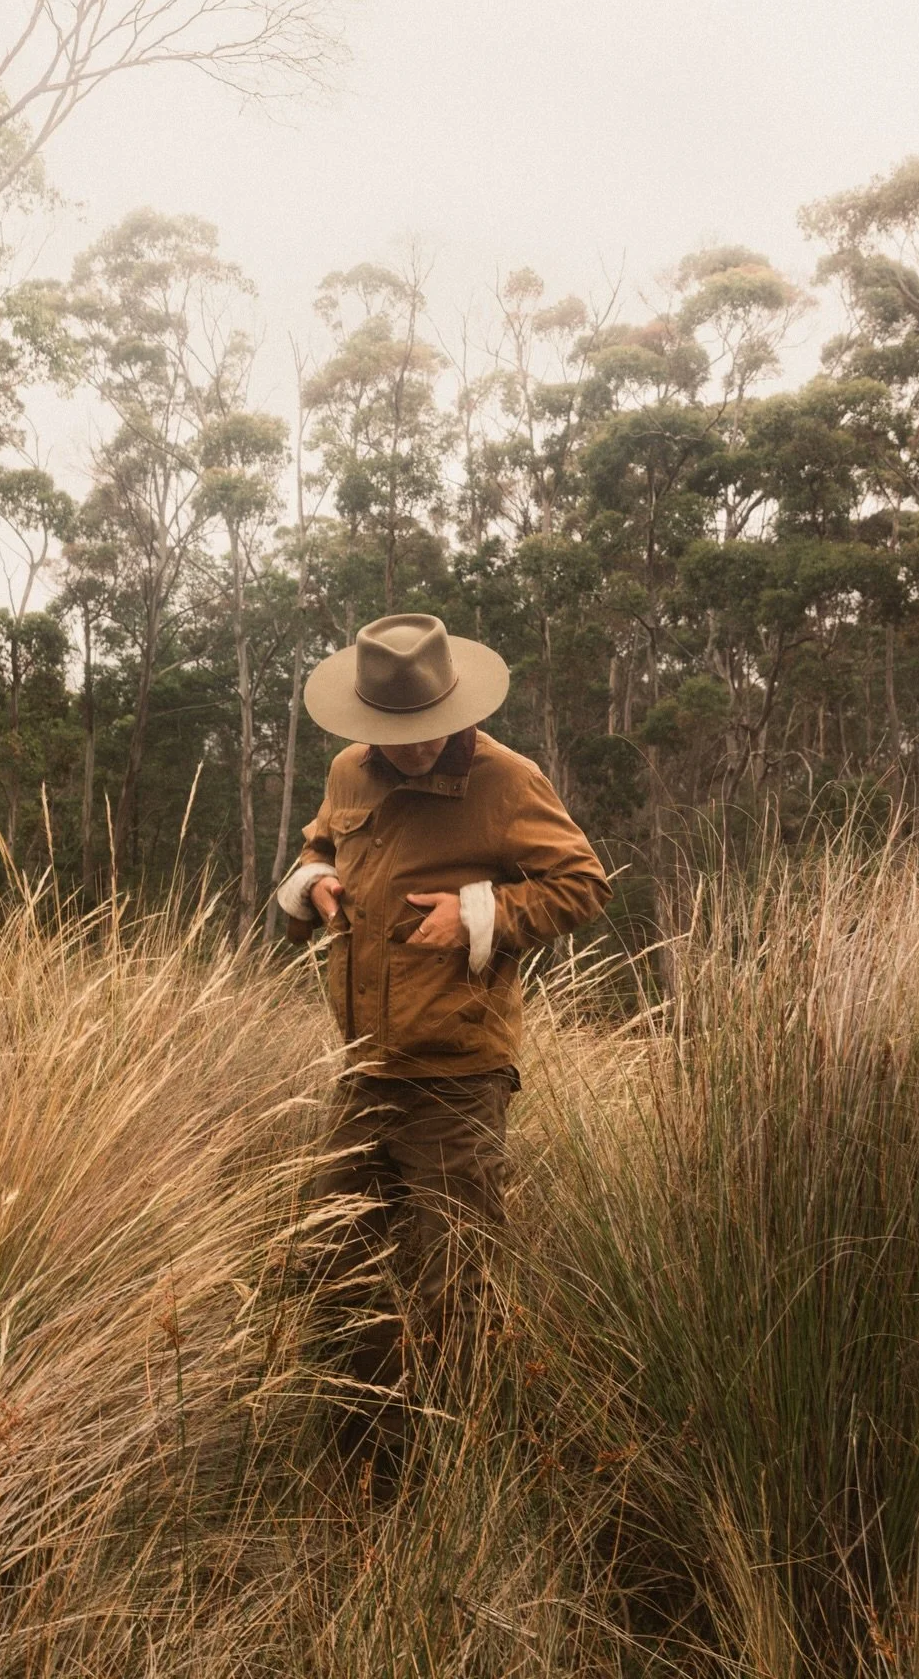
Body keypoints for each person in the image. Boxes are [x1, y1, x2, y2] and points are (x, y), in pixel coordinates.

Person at [277, 612, 610, 1450]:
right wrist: (313, 883)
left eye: (425, 731)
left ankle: (444, 1463)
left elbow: (583, 886)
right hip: (367, 1068)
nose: (412, 746)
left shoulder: (507, 780)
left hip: (459, 1074)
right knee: (329, 1260)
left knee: (449, 1282)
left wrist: (478, 915)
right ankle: (352, 1443)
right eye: (393, 734)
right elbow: (319, 844)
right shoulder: (350, 771)